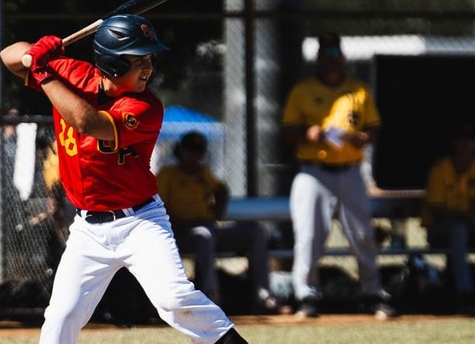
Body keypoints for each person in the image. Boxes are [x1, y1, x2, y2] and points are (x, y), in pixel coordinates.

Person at [0, 14, 248, 343]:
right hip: (88, 228)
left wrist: (43, 70)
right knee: (62, 314)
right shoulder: (72, 74)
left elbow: (86, 121)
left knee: (173, 300)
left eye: (149, 58)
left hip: (140, 222)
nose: (148, 67)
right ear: (112, 63)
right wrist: (42, 49)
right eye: (137, 59)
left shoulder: (146, 106)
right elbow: (9, 56)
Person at [280, 32, 398, 319]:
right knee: (309, 236)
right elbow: (287, 131)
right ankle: (306, 295)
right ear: (319, 59)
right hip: (314, 172)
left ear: (342, 58)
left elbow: (375, 128)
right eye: (326, 56)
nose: (332, 61)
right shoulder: (303, 90)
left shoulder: (358, 90)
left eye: (335, 55)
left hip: (350, 171)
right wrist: (308, 134)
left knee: (363, 235)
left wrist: (362, 138)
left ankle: (371, 292)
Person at [156, 130, 280, 314]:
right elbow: (159, 207)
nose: (194, 156)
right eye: (190, 151)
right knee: (203, 236)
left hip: (208, 227)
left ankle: (263, 296)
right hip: (180, 232)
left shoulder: (204, 173)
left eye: (198, 151)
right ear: (180, 151)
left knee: (256, 232)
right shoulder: (168, 174)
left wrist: (217, 212)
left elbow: (221, 189)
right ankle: (211, 298)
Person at [421, 123, 475, 315]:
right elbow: (436, 210)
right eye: (462, 141)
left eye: (470, 141)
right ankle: (466, 296)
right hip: (439, 230)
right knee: (457, 230)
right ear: (454, 144)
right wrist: (463, 215)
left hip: (468, 227)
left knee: (461, 230)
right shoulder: (440, 169)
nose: (467, 146)